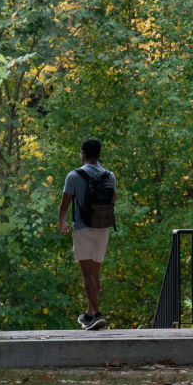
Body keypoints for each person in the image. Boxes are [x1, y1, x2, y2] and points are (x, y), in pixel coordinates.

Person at [58, 137, 116, 330]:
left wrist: (62, 222)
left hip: (83, 228)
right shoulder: (110, 176)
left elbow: (64, 204)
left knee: (86, 274)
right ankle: (89, 313)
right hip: (104, 227)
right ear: (99, 154)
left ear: (83, 153)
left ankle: (97, 314)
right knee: (95, 274)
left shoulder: (74, 176)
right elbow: (113, 200)